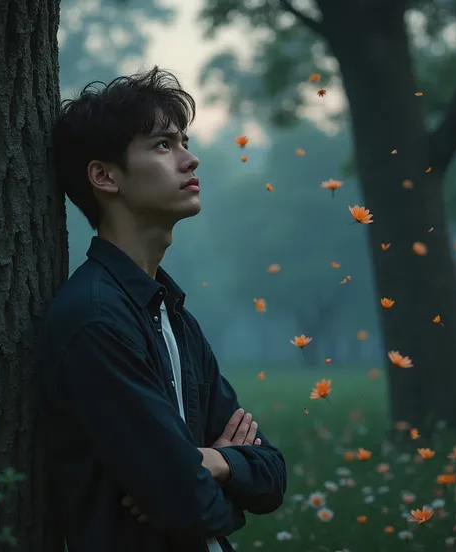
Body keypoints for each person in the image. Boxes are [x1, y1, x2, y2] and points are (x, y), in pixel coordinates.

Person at [37, 66, 287, 552]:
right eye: (163, 145)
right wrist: (213, 473)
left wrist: (214, 463)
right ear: (105, 176)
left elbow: (272, 473)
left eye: (185, 142)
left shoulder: (173, 315)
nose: (190, 160)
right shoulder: (96, 322)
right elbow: (189, 505)